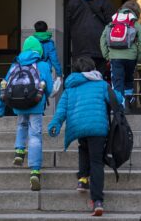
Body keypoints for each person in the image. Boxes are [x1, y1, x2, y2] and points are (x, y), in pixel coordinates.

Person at [47, 56, 122, 216]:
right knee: (96, 161)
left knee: (83, 148)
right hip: (97, 127)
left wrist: (55, 124)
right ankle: (97, 201)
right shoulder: (101, 84)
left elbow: (61, 110)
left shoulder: (70, 87)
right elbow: (117, 99)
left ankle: (82, 179)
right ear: (93, 69)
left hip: (78, 126)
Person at [0, 36, 53, 191]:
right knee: (35, 135)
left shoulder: (15, 64)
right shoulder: (43, 65)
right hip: (36, 103)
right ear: (38, 50)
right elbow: (50, 89)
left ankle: (19, 152)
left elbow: (4, 86)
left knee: (21, 124)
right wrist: (44, 94)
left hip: (18, 103)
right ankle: (34, 170)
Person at [100, 0, 141, 106]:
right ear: (137, 13)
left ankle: (120, 106)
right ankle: (128, 101)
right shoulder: (134, 23)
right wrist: (139, 57)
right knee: (128, 80)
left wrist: (107, 56)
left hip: (115, 58)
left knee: (117, 82)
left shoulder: (113, 22)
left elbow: (102, 39)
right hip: (131, 58)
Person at [66, 0, 115, 75]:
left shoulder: (73, 1)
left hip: (79, 47)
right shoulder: (104, 0)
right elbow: (111, 24)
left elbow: (68, 24)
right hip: (99, 46)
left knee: (80, 77)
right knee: (99, 77)